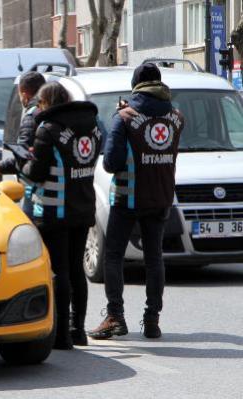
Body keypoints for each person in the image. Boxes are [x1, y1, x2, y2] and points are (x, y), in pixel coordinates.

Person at [88, 63, 184, 340]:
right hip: (162, 196)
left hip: (128, 198)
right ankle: (152, 320)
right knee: (154, 258)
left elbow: (110, 163)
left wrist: (121, 117)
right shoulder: (177, 117)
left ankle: (115, 317)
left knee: (114, 255)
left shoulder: (125, 116)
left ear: (135, 84)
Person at [22, 82, 101, 349]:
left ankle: (61, 336)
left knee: (60, 271)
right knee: (77, 269)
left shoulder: (48, 130)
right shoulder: (92, 127)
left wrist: (22, 163)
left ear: (46, 104)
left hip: (55, 210)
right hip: (83, 206)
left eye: (40, 104)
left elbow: (37, 172)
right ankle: (78, 330)